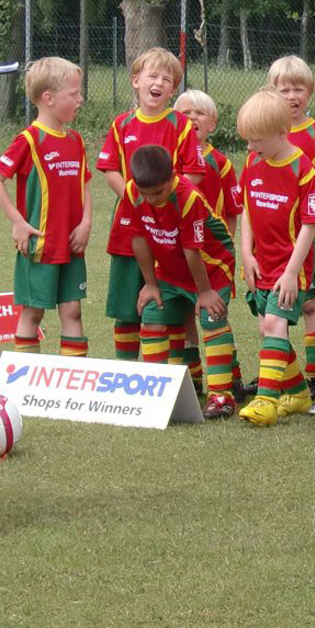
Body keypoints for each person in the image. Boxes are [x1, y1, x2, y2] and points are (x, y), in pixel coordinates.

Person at [96, 47, 202, 365]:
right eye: (152, 76)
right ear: (136, 81)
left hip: (169, 230)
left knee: (171, 307)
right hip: (130, 228)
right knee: (127, 308)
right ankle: (126, 372)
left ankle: (179, 375)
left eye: (167, 79)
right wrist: (136, 201)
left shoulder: (181, 125)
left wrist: (165, 203)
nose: (158, 83)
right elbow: (109, 169)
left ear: (173, 89)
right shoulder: (122, 124)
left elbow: (193, 174)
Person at [118, 144, 236, 413]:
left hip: (211, 267)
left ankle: (221, 396)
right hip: (171, 269)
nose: (152, 200)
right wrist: (150, 284)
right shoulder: (131, 193)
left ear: (172, 176)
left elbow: (192, 251)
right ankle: (156, 389)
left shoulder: (188, 197)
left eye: (158, 192)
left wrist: (204, 292)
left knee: (212, 317)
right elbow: (138, 238)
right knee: (152, 315)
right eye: (145, 194)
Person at [0, 58, 91, 358]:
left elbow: (85, 184)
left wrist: (85, 224)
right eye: (74, 94)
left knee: (72, 310)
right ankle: (26, 383)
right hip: (40, 244)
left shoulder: (75, 140)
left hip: (72, 244)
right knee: (33, 312)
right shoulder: (28, 140)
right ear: (48, 98)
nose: (80, 99)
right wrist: (18, 221)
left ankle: (73, 382)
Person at [234, 88, 315, 425]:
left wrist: (290, 273)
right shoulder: (254, 162)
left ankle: (266, 401)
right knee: (268, 329)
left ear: (282, 133)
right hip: (262, 264)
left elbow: (310, 226)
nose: (250, 147)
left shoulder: (304, 169)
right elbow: (247, 213)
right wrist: (246, 253)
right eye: (248, 140)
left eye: (257, 140)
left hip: (291, 268)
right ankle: (298, 394)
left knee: (274, 324)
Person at [268, 54, 315, 396]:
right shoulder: (266, 136)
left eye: (299, 89)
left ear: (310, 92)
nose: (292, 97)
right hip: (274, 237)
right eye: (284, 90)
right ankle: (281, 373)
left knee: (312, 304)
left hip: (309, 236)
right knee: (270, 307)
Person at [175, 87, 247, 411]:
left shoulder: (221, 163)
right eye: (185, 114)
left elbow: (233, 211)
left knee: (212, 316)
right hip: (176, 255)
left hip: (212, 257)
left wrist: (225, 248)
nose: (192, 119)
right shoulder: (170, 160)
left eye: (199, 113)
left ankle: (226, 389)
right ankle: (196, 379)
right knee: (184, 319)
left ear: (213, 123)